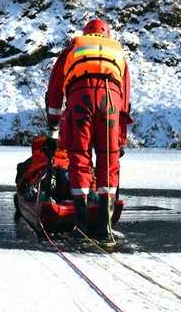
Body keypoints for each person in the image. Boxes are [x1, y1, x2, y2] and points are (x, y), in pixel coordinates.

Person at [45, 18, 132, 244]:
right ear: (107, 34)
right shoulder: (117, 52)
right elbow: (125, 100)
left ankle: (81, 226)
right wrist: (120, 139)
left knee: (80, 157)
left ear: (87, 32)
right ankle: (105, 228)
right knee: (108, 159)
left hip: (80, 98)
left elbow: (55, 90)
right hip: (110, 101)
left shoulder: (74, 47)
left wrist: (53, 127)